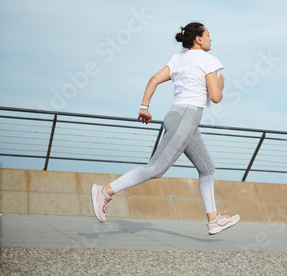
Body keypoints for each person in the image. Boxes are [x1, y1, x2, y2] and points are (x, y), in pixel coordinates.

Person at [91, 22, 240, 235]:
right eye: (208, 35)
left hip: (177, 116)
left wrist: (144, 107)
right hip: (187, 117)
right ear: (198, 39)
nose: (210, 38)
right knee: (156, 168)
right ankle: (104, 191)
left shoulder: (177, 59)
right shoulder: (209, 60)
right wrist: (221, 87)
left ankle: (214, 219)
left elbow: (153, 79)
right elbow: (215, 97)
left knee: (207, 167)